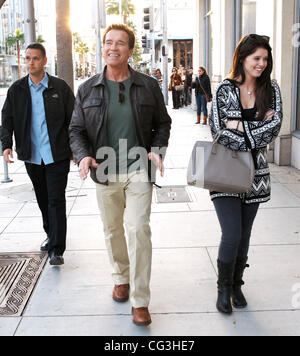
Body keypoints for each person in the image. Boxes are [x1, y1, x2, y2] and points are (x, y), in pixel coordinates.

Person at [69, 24, 171, 326]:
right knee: (112, 230)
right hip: (105, 170)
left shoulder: (148, 86)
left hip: (139, 167)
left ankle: (140, 300)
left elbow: (163, 123)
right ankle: (120, 277)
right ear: (103, 47)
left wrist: (157, 149)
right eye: (108, 42)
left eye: (120, 43)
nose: (113, 48)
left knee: (138, 229)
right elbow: (76, 129)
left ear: (130, 50)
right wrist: (84, 155)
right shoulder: (87, 88)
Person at [209, 34, 282, 314]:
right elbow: (219, 132)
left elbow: (274, 129)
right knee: (232, 232)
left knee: (245, 234)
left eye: (265, 59)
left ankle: (237, 284)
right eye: (256, 58)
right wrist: (254, 131)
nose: (261, 64)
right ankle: (223, 287)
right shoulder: (225, 90)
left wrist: (239, 126)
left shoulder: (271, 90)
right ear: (242, 58)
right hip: (225, 172)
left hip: (257, 175)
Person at [1, 43, 75, 266]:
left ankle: (57, 249)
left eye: (35, 58)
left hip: (57, 155)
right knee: (43, 199)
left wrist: (76, 149)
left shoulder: (59, 88)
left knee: (55, 199)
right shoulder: (17, 90)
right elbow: (7, 120)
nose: (30, 62)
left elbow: (73, 121)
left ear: (44, 61)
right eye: (27, 58)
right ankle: (51, 235)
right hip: (32, 155)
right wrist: (6, 144)